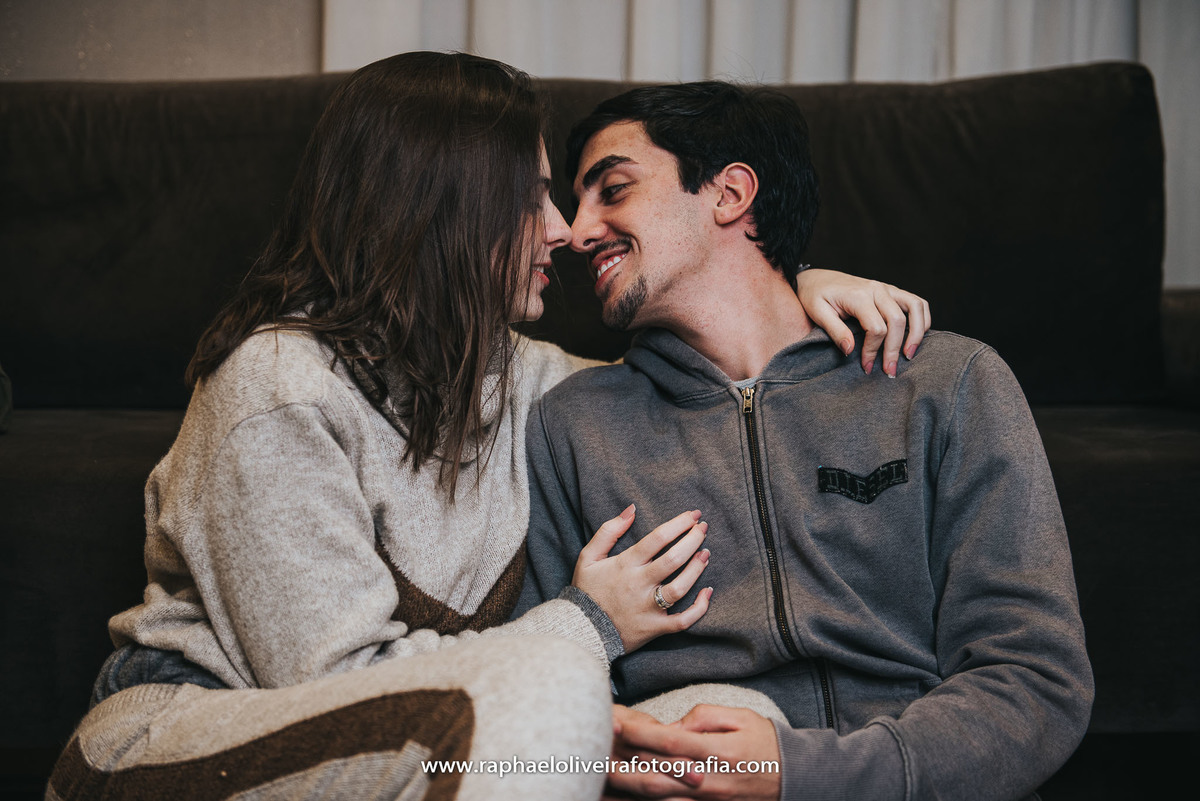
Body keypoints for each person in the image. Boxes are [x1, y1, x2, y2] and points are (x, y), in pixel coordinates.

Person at [45, 54, 929, 801]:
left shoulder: (523, 378)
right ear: (442, 204)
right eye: (533, 195)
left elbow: (692, 381)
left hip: (422, 740)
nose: (564, 230)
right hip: (196, 741)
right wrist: (590, 624)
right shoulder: (277, 386)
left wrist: (790, 293)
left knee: (711, 725)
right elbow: (339, 691)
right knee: (553, 686)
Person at [517, 81, 1094, 801]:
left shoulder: (948, 384)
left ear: (729, 194)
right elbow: (552, 695)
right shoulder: (571, 423)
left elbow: (1038, 681)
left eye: (614, 189)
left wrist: (800, 773)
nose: (576, 230)